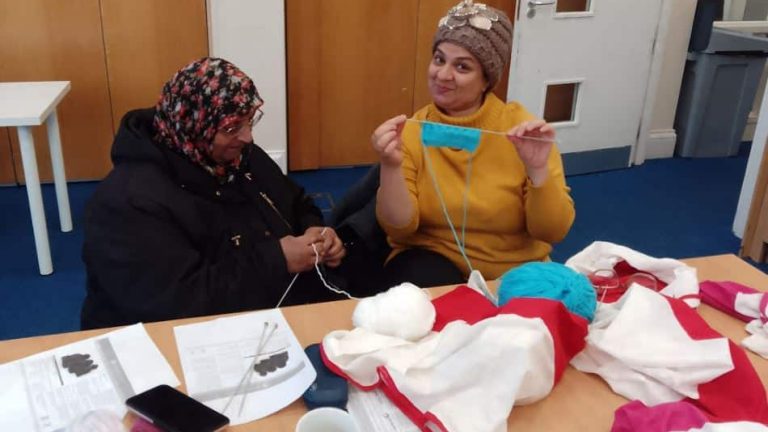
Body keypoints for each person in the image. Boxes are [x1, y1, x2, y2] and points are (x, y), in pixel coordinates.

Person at [81, 57, 348, 329]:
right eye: (232, 128)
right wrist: (277, 261)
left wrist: (317, 233)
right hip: (183, 337)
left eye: (250, 121)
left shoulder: (237, 156)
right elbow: (176, 304)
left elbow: (298, 203)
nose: (248, 137)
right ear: (195, 125)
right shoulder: (129, 204)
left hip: (271, 309)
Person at [371, 0, 575, 289]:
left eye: (462, 67)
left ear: (486, 80)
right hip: (431, 263)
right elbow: (399, 229)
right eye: (439, 59)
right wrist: (390, 166)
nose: (442, 75)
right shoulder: (412, 131)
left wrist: (538, 169)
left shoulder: (523, 132)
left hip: (511, 272)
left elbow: (553, 231)